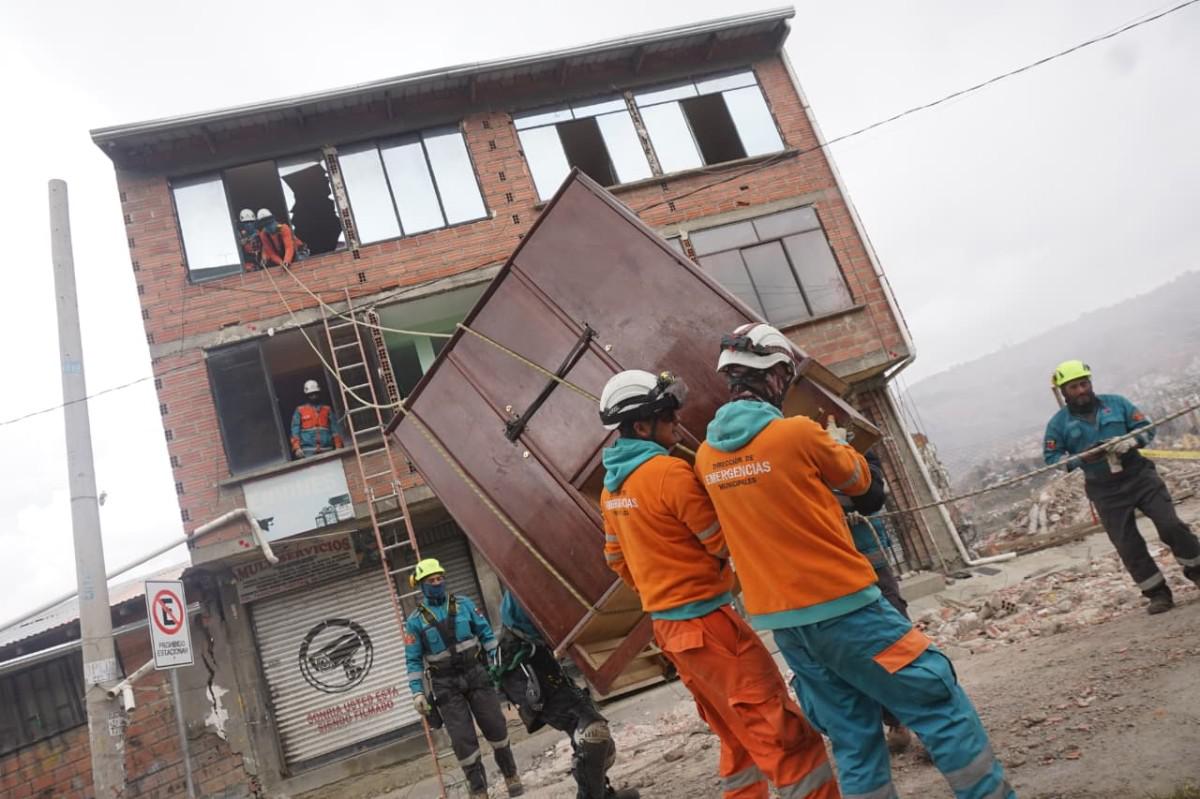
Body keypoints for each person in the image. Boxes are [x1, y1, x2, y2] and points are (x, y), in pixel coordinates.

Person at [694, 322, 1014, 799]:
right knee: (937, 700)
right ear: (777, 373)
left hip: (790, 628)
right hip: (848, 610)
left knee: (853, 738)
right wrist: (839, 443)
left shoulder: (705, 458)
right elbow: (867, 491)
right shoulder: (798, 434)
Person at [598, 369, 839, 799]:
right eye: (668, 415)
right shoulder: (669, 473)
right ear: (641, 426)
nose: (677, 422)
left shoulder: (612, 488)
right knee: (781, 732)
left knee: (737, 737)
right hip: (709, 626)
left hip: (670, 631)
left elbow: (617, 559)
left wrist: (662, 587)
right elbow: (721, 541)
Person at [1042, 360, 1200, 614]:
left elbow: (1146, 429)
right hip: (1104, 489)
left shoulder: (1117, 404)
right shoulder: (1058, 425)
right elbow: (1052, 461)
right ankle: (1157, 593)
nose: (1081, 390)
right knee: (1127, 544)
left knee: (1171, 524)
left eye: (1084, 384)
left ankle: (1197, 570)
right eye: (1074, 387)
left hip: (1139, 476)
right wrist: (1082, 457)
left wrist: (1130, 441)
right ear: (1064, 392)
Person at [493, 590, 639, 799]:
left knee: (596, 739)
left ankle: (599, 793)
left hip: (541, 661)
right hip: (524, 669)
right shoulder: (532, 571)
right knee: (592, 732)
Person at [404, 559, 524, 798]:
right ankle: (479, 791)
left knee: (496, 726)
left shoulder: (464, 604)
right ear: (421, 586)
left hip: (476, 674)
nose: (437, 583)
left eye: (440, 578)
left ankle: (511, 775)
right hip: (445, 684)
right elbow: (413, 661)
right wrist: (417, 691)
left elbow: (486, 634)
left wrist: (497, 659)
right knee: (462, 740)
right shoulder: (415, 621)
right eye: (431, 581)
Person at [836, 450, 914, 753]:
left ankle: (917, 722)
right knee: (856, 653)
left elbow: (872, 496)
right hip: (829, 573)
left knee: (898, 641)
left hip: (868, 563)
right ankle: (892, 719)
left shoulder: (847, 437)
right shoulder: (786, 443)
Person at [290, 379, 344, 459]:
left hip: (327, 449)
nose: (313, 396)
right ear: (306, 395)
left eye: (315, 394)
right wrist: (297, 448)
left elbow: (335, 429)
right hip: (307, 451)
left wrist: (338, 446)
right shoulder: (300, 410)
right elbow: (295, 431)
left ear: (319, 393)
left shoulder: (327, 409)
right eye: (311, 394)